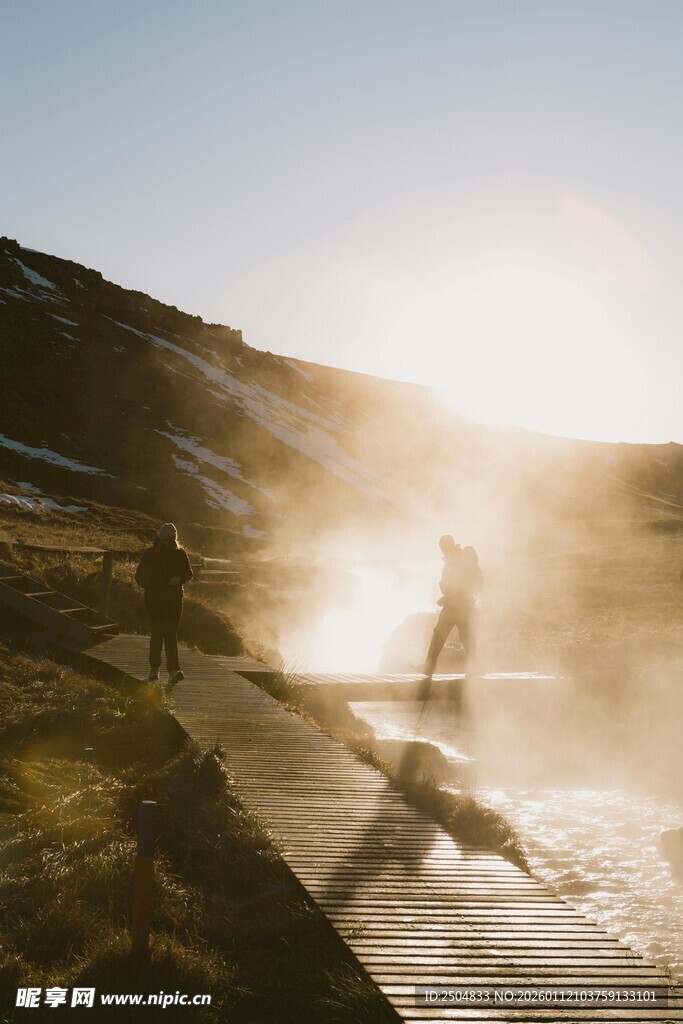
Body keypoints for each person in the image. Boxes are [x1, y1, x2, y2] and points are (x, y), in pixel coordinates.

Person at [135, 523, 193, 684]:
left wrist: (180, 579)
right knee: (157, 633)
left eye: (171, 540)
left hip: (174, 600)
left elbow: (189, 574)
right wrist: (153, 587)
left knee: (170, 635)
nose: (168, 543)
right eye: (165, 540)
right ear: (160, 538)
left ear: (175, 539)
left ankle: (174, 671)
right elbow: (139, 576)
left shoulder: (180, 554)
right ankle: (154, 670)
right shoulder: (150, 554)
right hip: (155, 600)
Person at [422, 535, 483, 680]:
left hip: (456, 606)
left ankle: (428, 670)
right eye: (442, 549)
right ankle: (477, 669)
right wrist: (445, 592)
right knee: (466, 638)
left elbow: (461, 586)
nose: (443, 551)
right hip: (461, 606)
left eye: (443, 548)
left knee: (440, 635)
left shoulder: (458, 561)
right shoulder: (453, 560)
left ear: (449, 545)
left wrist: (446, 597)